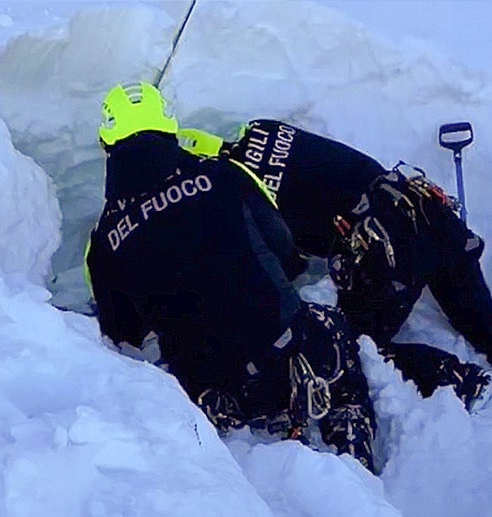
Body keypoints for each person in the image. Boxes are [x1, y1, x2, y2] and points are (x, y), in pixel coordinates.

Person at [178, 120, 492, 437]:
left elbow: (286, 263)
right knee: (482, 320)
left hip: (387, 250)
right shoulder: (265, 129)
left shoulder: (242, 190)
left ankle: (459, 378)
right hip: (426, 209)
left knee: (351, 347)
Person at [86, 82, 379, 473]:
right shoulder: (224, 174)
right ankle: (352, 449)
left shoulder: (104, 241)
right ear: (168, 126)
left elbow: (122, 333)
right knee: (332, 328)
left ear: (107, 142)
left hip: (208, 387)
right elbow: (284, 250)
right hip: (284, 346)